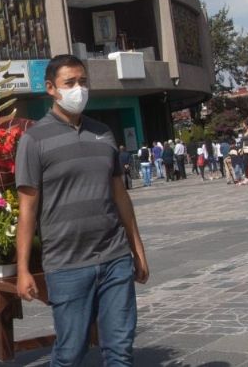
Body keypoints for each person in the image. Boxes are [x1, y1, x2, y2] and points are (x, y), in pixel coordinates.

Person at [15, 54, 148, 366]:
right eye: (70, 83)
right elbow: (27, 210)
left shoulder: (103, 133)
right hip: (67, 263)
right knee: (70, 351)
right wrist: (22, 270)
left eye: (83, 81)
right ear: (51, 88)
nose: (79, 89)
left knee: (120, 348)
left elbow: (121, 199)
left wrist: (137, 251)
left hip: (114, 258)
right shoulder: (33, 140)